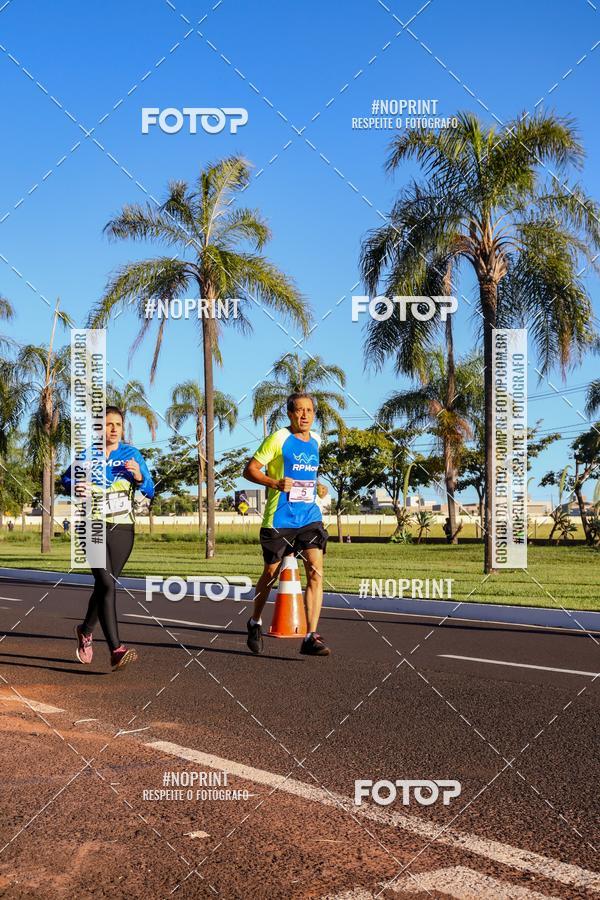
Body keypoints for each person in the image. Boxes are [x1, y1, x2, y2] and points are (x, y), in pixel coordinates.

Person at [61, 406, 155, 670]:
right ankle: (116, 649)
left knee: (105, 586)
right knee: (107, 584)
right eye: (108, 424)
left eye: (118, 424)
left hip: (124, 527)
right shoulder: (87, 455)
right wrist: (74, 486)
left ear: (122, 428)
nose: (113, 429)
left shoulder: (131, 454)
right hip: (93, 525)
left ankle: (85, 629)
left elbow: (149, 489)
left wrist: (138, 475)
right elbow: (65, 480)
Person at [242, 392, 330, 656]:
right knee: (270, 574)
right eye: (299, 411)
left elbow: (307, 475)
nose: (305, 415)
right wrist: (274, 483)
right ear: (290, 414)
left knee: (316, 570)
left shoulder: (316, 439)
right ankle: (255, 621)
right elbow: (250, 469)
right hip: (279, 518)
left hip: (309, 517)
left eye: (309, 411)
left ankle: (310, 636)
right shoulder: (278, 439)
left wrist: (319, 485)